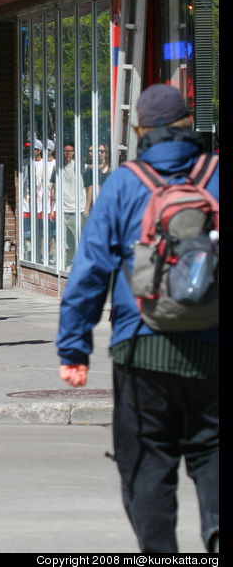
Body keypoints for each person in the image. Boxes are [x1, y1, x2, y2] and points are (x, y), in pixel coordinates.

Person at [56, 85, 218, 554]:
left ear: (140, 130)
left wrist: (74, 349)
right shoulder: (216, 173)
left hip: (141, 341)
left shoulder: (125, 183)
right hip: (213, 341)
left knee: (148, 460)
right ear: (188, 123)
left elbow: (90, 270)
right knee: (212, 449)